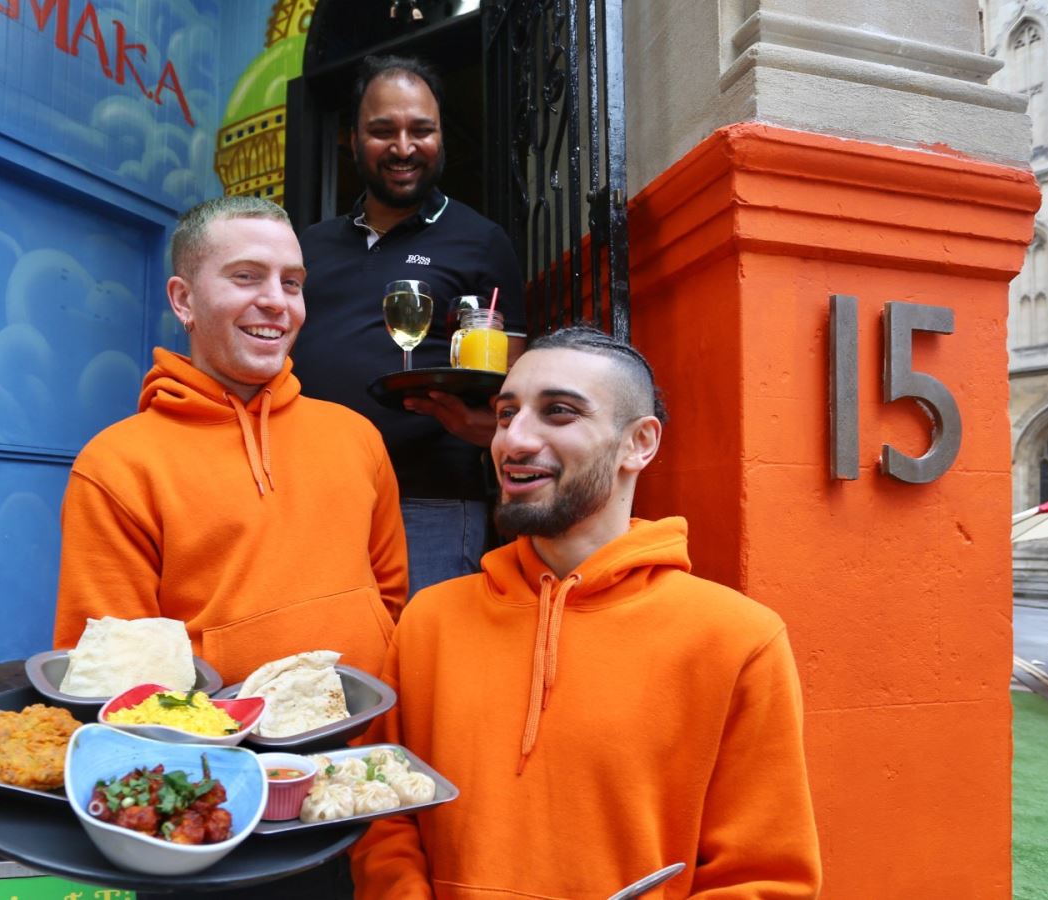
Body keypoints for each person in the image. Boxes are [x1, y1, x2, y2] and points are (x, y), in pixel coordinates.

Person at [350, 327, 822, 899]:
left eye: (559, 412)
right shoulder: (430, 620)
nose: (514, 440)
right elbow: (383, 810)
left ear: (639, 444)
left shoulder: (737, 639)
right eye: (505, 414)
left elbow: (765, 878)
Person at [52, 196, 408, 685]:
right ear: (184, 300)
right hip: (218, 757)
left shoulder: (357, 435)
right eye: (246, 276)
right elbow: (111, 678)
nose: (276, 302)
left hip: (367, 747)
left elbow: (389, 599)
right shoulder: (116, 465)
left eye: (291, 282)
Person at [293, 54, 526, 597]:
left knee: (422, 662)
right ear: (351, 139)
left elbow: (513, 377)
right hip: (314, 493)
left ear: (441, 137)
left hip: (431, 501)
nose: (403, 147)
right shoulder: (309, 246)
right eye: (382, 131)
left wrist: (484, 426)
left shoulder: (480, 240)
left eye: (421, 130)